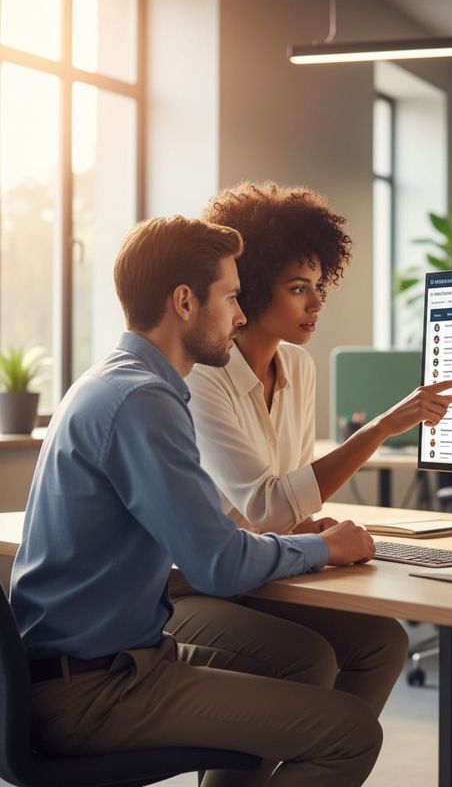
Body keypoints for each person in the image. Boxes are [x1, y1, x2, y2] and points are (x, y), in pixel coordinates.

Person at [10, 215, 386, 787]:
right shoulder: (142, 400)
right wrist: (319, 547)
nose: (240, 315)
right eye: (232, 297)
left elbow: (207, 543)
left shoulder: (112, 381)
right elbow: (217, 564)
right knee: (351, 732)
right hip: (97, 689)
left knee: (304, 661)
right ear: (184, 302)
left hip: (107, 662)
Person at [166, 184, 452, 720]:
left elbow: (290, 508)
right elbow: (267, 505)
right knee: (305, 657)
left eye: (319, 286)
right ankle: (315, 752)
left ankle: (320, 758)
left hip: (261, 567)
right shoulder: (205, 378)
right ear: (252, 290)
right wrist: (381, 427)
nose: (317, 304)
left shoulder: (299, 368)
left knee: (384, 643)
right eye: (298, 288)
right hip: (197, 583)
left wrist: (302, 528)